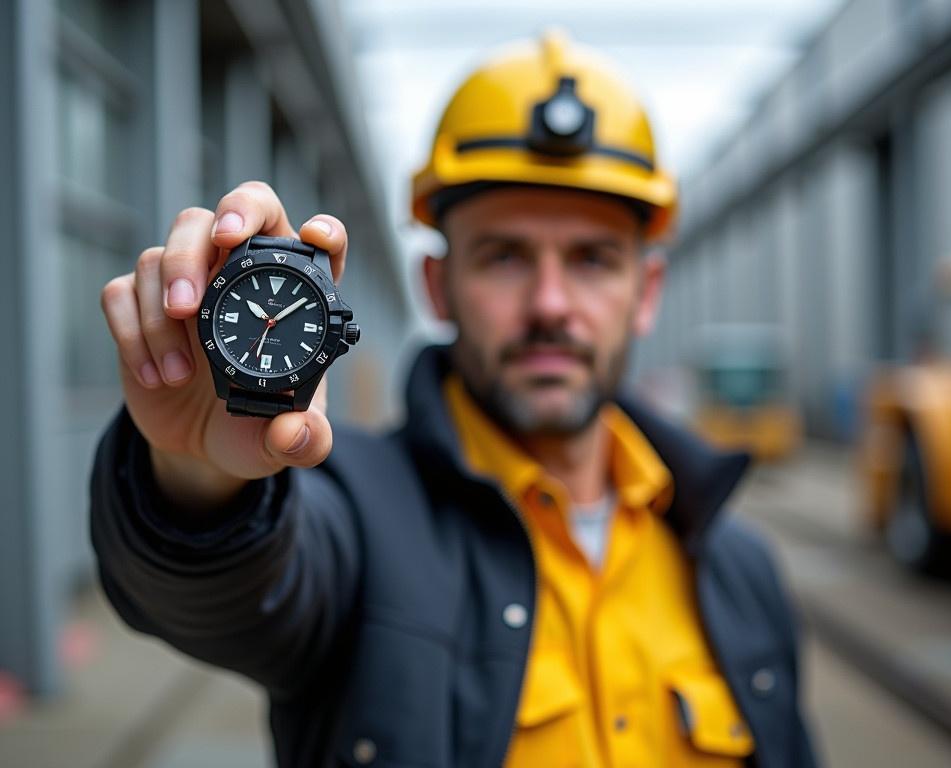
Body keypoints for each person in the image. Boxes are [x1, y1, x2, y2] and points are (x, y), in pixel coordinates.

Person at [92, 33, 817, 768]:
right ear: (436, 287)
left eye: (593, 260)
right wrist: (194, 477)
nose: (550, 305)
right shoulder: (353, 518)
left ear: (647, 292)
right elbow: (231, 598)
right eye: (504, 256)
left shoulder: (741, 571)